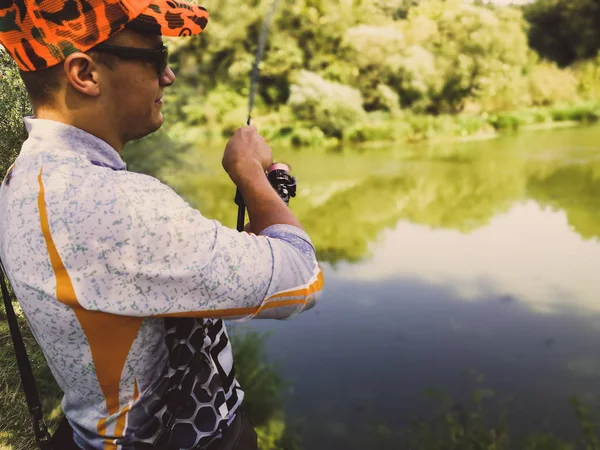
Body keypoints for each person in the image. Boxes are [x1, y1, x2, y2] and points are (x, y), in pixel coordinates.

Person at [0, 1, 324, 449]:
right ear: (85, 73)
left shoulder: (27, 177)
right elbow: (303, 277)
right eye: (156, 59)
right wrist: (252, 173)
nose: (167, 77)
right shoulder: (111, 206)